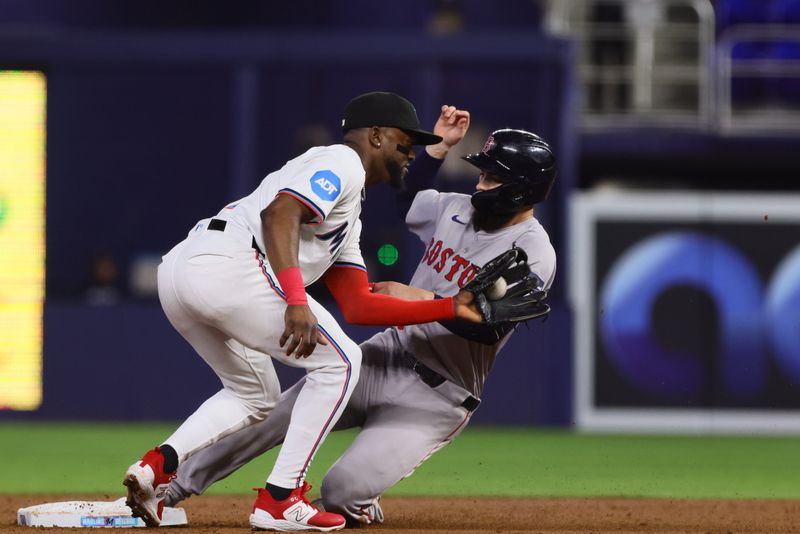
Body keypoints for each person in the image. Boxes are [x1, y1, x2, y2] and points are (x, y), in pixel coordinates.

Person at [161, 115, 558, 526]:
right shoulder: (457, 208)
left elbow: (489, 325)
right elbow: (409, 197)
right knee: (276, 414)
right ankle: (171, 488)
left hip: (439, 395)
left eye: (493, 178)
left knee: (340, 493)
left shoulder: (534, 251)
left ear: (522, 189)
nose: (480, 183)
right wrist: (437, 149)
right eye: (482, 172)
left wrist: (425, 298)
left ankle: (359, 501)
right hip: (389, 353)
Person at [122, 91, 485, 532]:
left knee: (255, 396)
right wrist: (296, 300)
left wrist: (449, 308)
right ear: (374, 136)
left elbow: (359, 304)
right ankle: (280, 498)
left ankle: (156, 468)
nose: (411, 154)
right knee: (344, 363)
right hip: (229, 264)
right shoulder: (342, 162)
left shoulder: (349, 217)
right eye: (404, 142)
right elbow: (282, 213)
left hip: (183, 273)